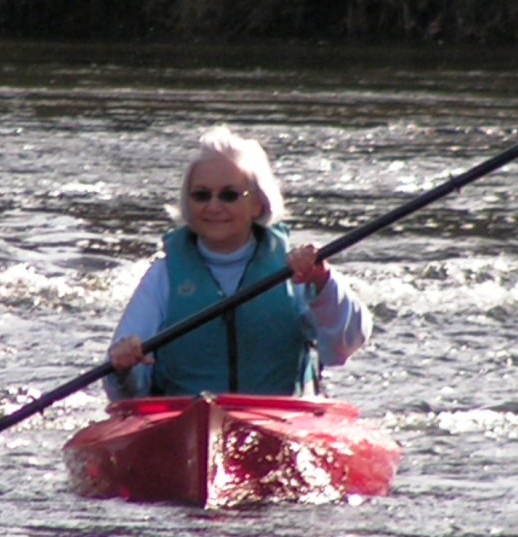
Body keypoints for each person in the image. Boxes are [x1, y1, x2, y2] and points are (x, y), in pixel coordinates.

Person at [104, 124, 371, 401]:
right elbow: (124, 391)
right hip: (182, 420)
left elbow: (343, 346)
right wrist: (123, 369)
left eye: (229, 195)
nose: (214, 206)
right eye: (201, 195)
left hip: (279, 419)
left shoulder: (297, 270)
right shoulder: (163, 276)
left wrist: (324, 282)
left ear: (258, 203)